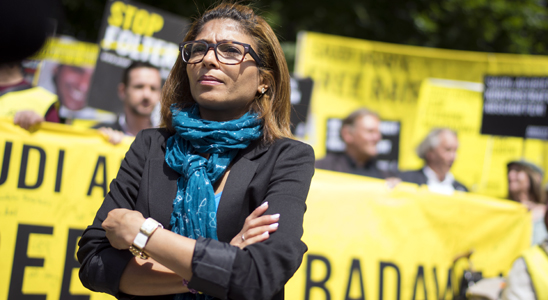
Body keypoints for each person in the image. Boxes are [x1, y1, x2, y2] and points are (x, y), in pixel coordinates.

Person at [77, 3, 315, 300]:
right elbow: (94, 263)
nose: (209, 59)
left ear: (263, 81)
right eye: (198, 49)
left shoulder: (287, 157)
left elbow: (260, 276)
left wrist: (145, 234)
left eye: (230, 50)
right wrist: (215, 266)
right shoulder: (151, 146)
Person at [93, 61, 162, 144]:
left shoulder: (168, 141)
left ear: (160, 94)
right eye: (139, 87)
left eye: (153, 88)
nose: (146, 95)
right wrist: (99, 142)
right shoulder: (100, 134)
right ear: (123, 91)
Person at [315, 108, 389, 179]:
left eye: (378, 132)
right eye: (370, 131)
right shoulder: (320, 169)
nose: (377, 138)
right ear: (347, 134)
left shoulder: (387, 178)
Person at [399, 128, 468, 194]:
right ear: (430, 152)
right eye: (448, 150)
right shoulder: (405, 181)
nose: (453, 157)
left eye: (455, 150)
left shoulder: (462, 190)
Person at [506, 160, 547, 245]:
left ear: (535, 177)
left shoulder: (544, 213)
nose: (510, 175)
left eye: (517, 171)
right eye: (509, 171)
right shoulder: (501, 208)